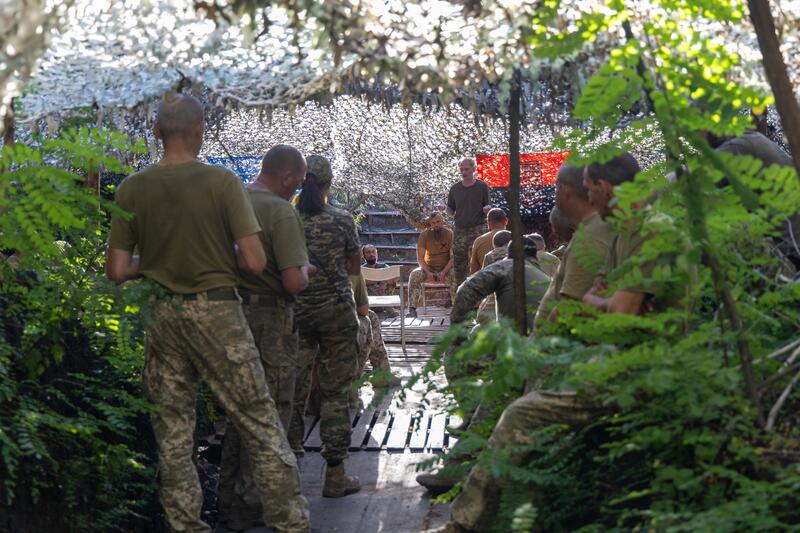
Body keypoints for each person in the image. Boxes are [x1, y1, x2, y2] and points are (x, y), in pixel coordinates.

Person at [105, 94, 309, 532]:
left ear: (157, 132)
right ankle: (291, 524)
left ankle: (186, 526)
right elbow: (254, 261)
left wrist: (159, 259)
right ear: (201, 130)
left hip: (162, 318)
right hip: (218, 316)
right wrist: (214, 252)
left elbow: (118, 270)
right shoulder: (222, 182)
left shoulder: (132, 188)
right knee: (260, 424)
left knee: (174, 435)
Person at [433, 153, 648, 533]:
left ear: (570, 192)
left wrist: (536, 353)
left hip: (570, 359)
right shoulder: (608, 234)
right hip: (558, 352)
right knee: (505, 399)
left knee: (516, 413)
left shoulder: (601, 235)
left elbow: (579, 312)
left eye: (592, 189)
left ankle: (466, 516)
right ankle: (469, 480)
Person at [218, 145, 314, 532]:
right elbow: (292, 281)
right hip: (270, 320)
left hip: (228, 315)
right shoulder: (280, 211)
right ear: (288, 177)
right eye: (298, 182)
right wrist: (306, 271)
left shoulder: (231, 202)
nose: (298, 189)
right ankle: (258, 503)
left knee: (239, 410)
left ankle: (230, 500)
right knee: (271, 411)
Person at [288, 155, 363, 498]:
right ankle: (335, 474)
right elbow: (354, 268)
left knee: (293, 391)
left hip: (297, 313)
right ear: (329, 184)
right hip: (336, 313)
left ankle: (290, 474)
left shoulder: (287, 217)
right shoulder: (342, 219)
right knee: (335, 393)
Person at [533, 165, 613, 332]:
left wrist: (537, 341)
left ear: (565, 190)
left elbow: (569, 308)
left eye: (556, 188)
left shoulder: (589, 238)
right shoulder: (590, 229)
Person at [450, 236, 550, 331]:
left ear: (508, 255)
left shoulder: (508, 265)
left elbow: (465, 290)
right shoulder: (545, 277)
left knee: (477, 331)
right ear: (535, 257)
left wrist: (458, 334)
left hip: (516, 339)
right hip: (545, 338)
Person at [351, 272, 402, 387]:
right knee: (371, 318)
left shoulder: (313, 268)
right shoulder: (352, 271)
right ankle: (381, 374)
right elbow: (363, 309)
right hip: (340, 324)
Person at [447, 157, 491, 286]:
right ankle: (461, 292)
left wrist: (487, 209)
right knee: (459, 264)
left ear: (473, 169)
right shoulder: (455, 189)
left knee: (477, 260)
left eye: (466, 169)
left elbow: (488, 205)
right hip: (460, 230)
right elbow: (451, 211)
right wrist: (444, 209)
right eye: (461, 169)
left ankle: (478, 291)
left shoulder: (481, 186)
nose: (463, 172)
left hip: (478, 229)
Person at [407, 212, 456, 316]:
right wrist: (428, 272)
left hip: (446, 268)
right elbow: (420, 258)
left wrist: (444, 272)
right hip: (429, 268)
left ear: (442, 221)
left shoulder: (450, 234)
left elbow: (453, 258)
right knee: (414, 274)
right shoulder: (424, 235)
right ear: (430, 223)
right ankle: (412, 309)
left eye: (438, 222)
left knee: (456, 274)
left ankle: (457, 309)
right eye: (433, 223)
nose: (436, 225)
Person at [468, 208, 508, 275]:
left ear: (488, 222)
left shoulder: (479, 241)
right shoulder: (517, 240)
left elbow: (473, 270)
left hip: (488, 279)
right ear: (506, 221)